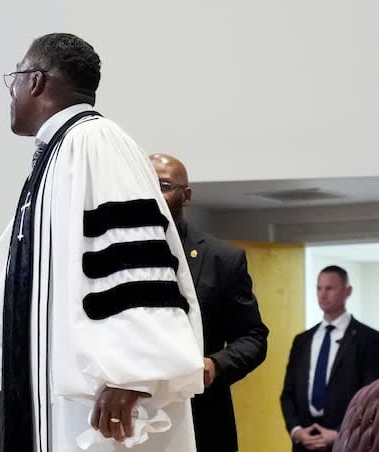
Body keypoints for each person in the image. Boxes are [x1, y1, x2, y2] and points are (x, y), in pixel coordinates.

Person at [0, 33, 204, 452]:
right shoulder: (56, 155)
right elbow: (26, 289)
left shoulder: (96, 143)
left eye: (14, 78)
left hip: (103, 406)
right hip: (65, 404)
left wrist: (133, 376)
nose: (11, 93)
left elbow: (134, 265)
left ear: (35, 81)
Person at [149, 153, 269, 452]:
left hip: (202, 416)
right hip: (137, 415)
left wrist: (215, 365)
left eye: (162, 186)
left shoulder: (221, 259)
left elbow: (253, 338)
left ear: (186, 195)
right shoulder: (110, 253)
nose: (151, 193)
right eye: (143, 183)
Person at [280, 265, 379, 452]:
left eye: (329, 288)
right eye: (319, 288)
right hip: (304, 443)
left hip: (346, 443)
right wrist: (297, 431)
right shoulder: (302, 340)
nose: (323, 295)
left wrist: (340, 433)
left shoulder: (370, 339)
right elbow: (288, 393)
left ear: (347, 291)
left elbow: (372, 399)